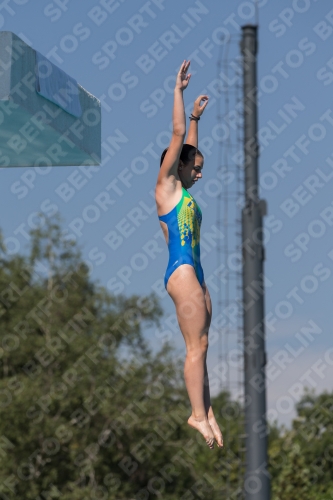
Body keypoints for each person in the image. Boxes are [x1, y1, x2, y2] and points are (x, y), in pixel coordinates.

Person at [155, 60, 223, 449]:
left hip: (196, 271)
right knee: (194, 346)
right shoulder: (166, 188)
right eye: (195, 169)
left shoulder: (185, 190)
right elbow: (179, 136)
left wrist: (198, 117)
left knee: (203, 346)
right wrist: (179, 95)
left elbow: (189, 144)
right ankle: (196, 415)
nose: (199, 174)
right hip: (181, 272)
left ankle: (206, 409)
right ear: (177, 165)